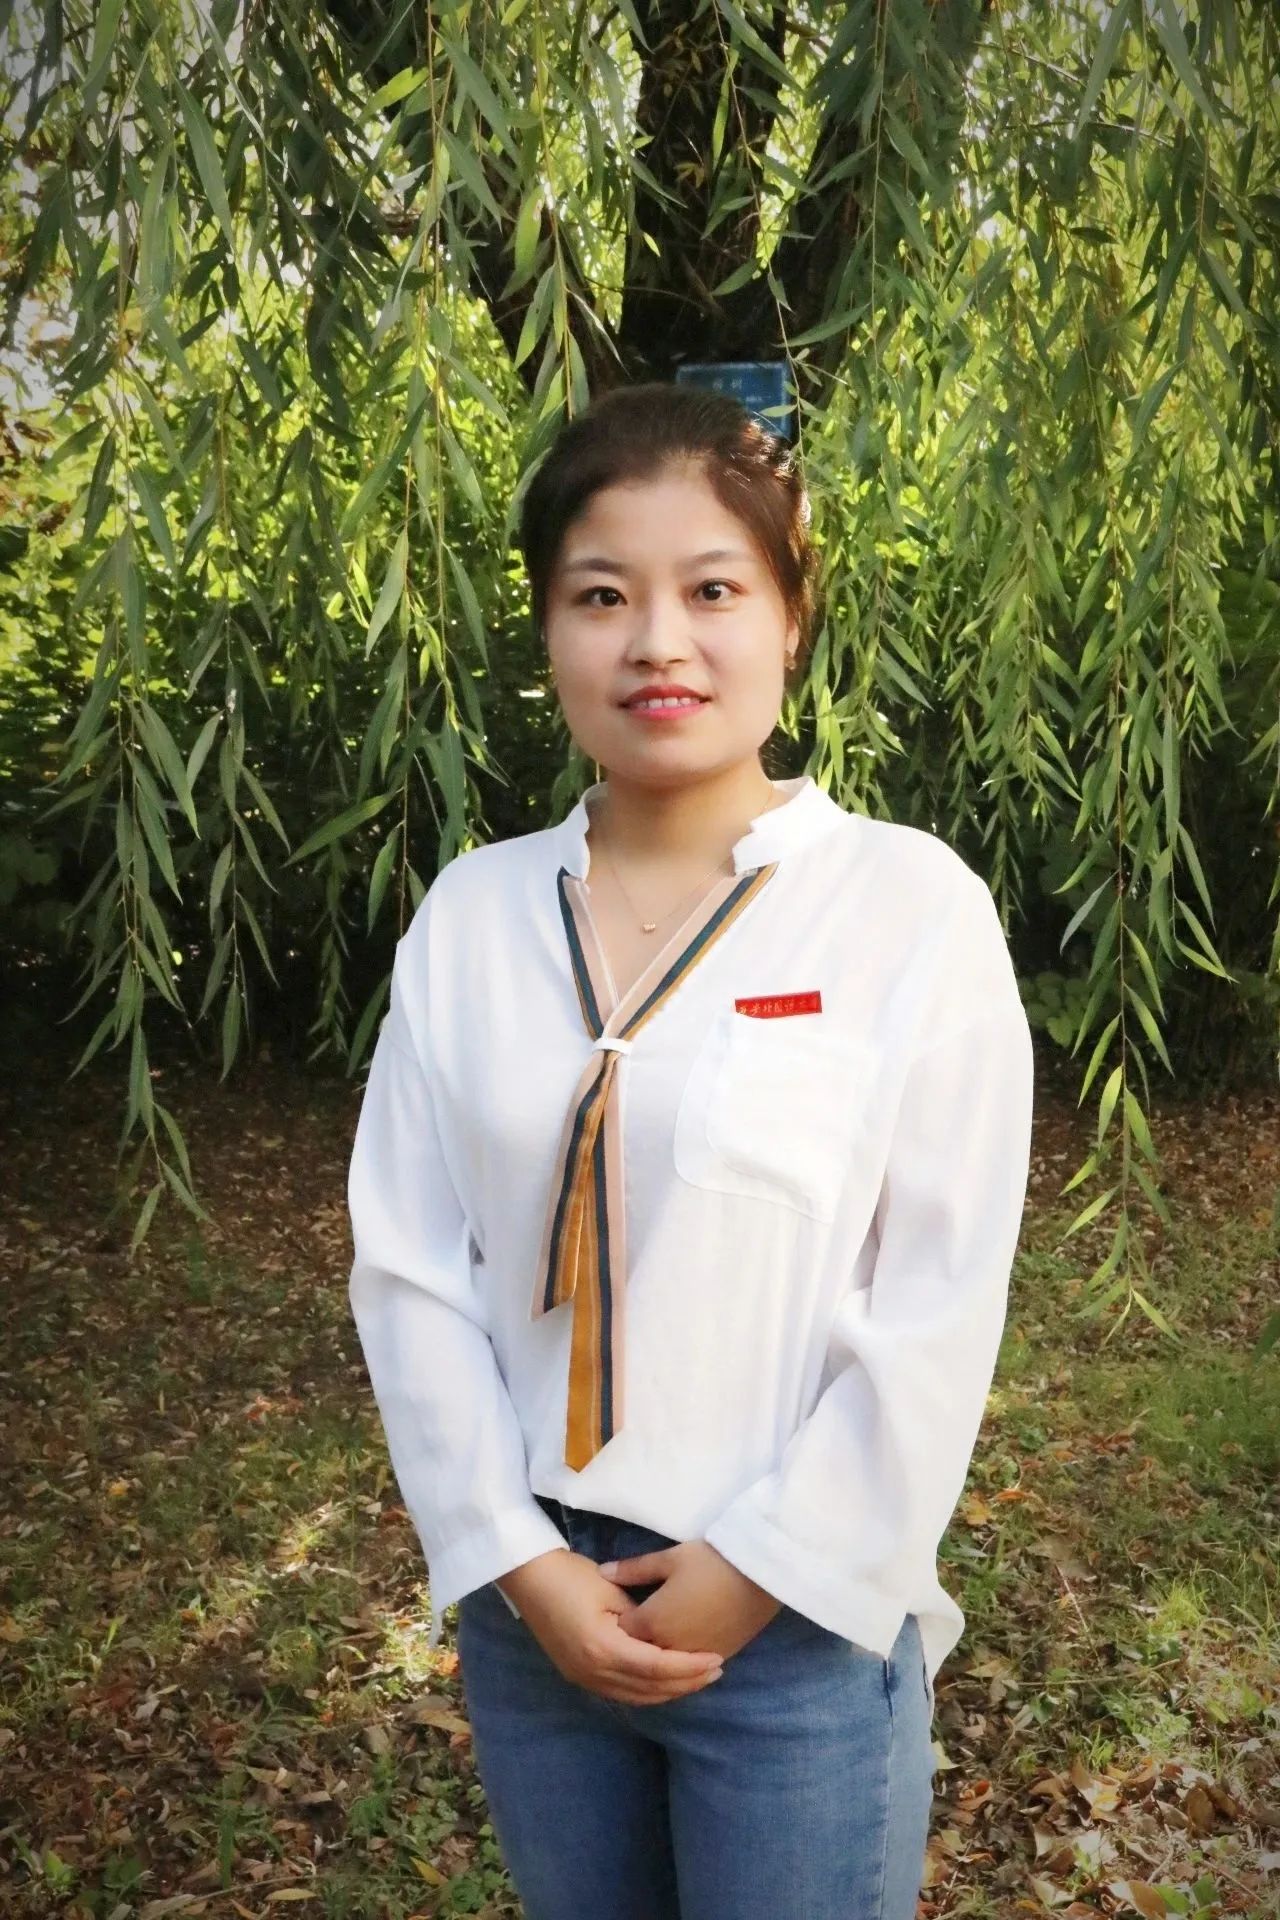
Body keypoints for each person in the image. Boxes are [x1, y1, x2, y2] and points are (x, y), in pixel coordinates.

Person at [346, 381, 1035, 1920]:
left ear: (791, 618)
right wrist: (513, 1559)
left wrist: (767, 1565)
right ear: (549, 632)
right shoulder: (472, 916)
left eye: (713, 590)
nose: (658, 641)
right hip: (538, 1615)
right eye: (604, 596)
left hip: (791, 1623)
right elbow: (409, 1268)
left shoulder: (904, 909)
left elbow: (939, 1297)